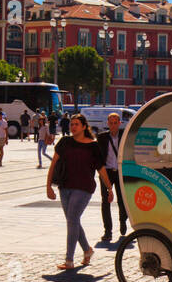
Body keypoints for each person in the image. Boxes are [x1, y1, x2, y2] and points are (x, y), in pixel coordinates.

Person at [46, 113, 115, 271]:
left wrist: (109, 188)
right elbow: (53, 163)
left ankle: (69, 260)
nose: (73, 127)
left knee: (72, 220)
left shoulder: (93, 146)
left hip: (84, 188)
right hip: (65, 186)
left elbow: (101, 169)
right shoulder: (65, 142)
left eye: (76, 124)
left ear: (84, 127)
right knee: (73, 221)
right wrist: (48, 186)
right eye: (72, 124)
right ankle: (87, 250)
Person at [96, 111, 127, 241]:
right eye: (111, 123)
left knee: (122, 200)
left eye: (115, 123)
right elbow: (98, 156)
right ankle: (107, 230)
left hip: (120, 172)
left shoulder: (125, 136)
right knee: (105, 201)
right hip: (106, 172)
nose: (113, 125)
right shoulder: (102, 137)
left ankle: (122, 221)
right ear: (108, 124)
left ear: (120, 123)